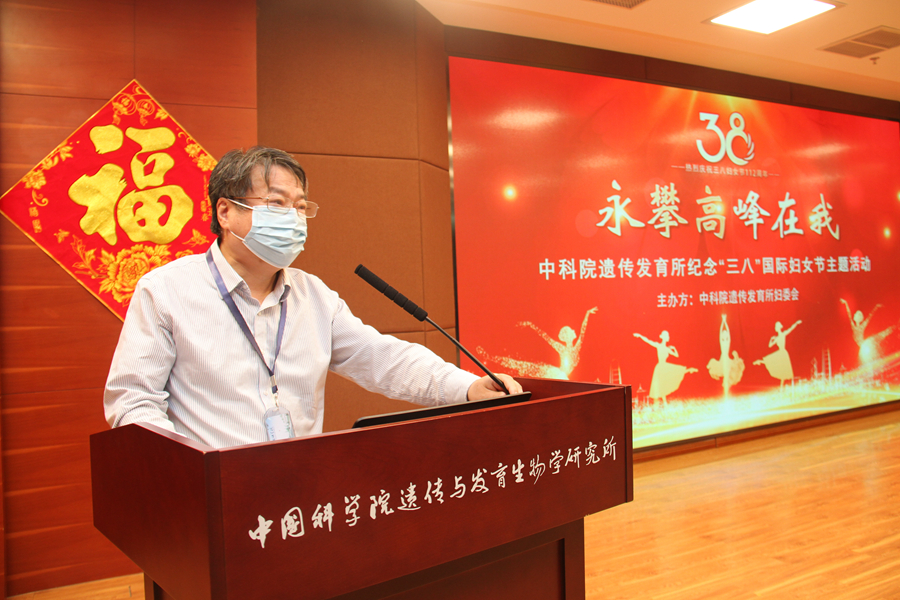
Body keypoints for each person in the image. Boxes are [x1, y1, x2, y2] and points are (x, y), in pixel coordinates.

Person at [104, 146, 521, 448]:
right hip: (209, 498)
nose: (293, 218)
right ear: (225, 212)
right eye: (276, 203)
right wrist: (193, 472)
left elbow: (383, 358)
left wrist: (467, 388)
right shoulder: (166, 291)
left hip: (299, 495)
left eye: (301, 207)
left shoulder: (313, 296)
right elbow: (133, 403)